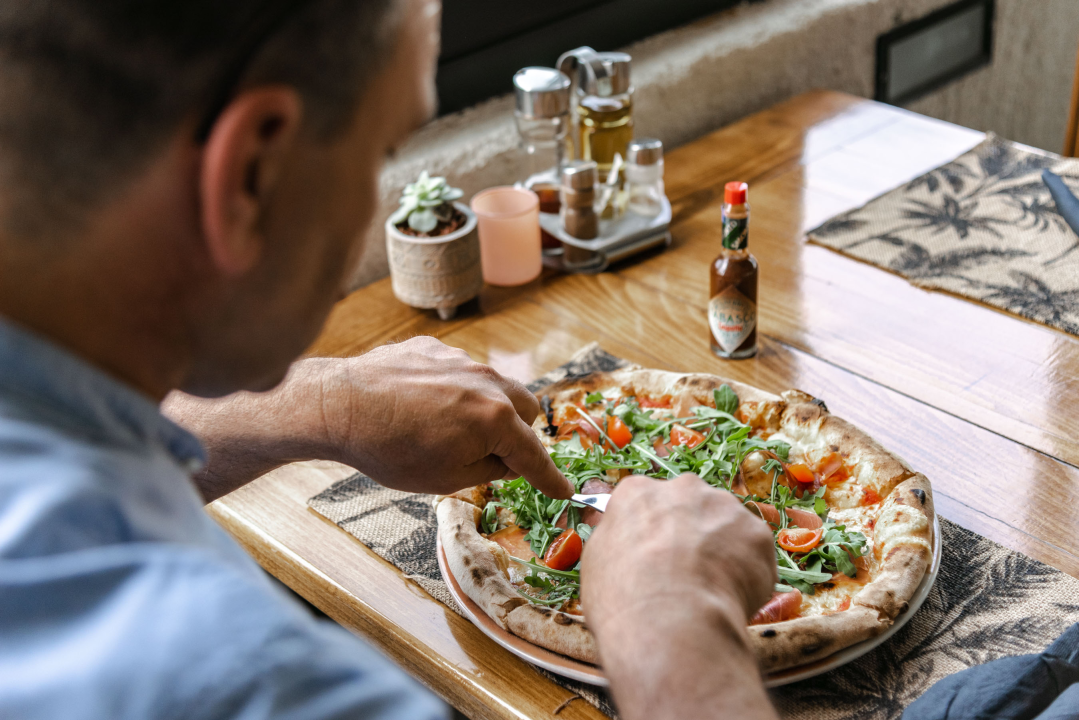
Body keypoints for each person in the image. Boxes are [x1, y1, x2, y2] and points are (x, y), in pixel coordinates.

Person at [0, 1, 779, 719]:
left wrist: (322, 404)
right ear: (251, 174)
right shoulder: (255, 683)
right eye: (381, 151)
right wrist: (668, 623)